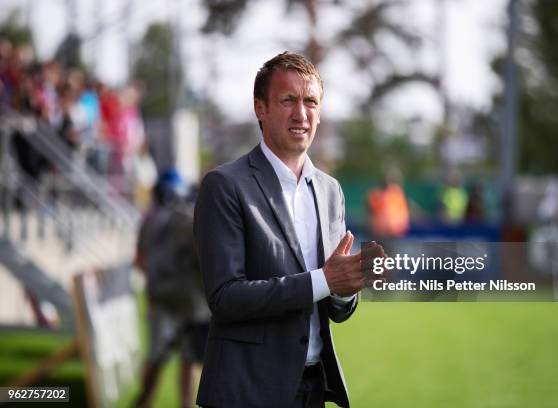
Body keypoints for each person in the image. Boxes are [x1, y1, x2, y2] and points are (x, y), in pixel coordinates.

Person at [194, 52, 384, 408]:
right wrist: (325, 280)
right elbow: (224, 298)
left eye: (311, 101)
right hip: (245, 392)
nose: (301, 113)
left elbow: (335, 309)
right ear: (260, 109)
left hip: (313, 389)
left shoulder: (330, 190)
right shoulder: (224, 185)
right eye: (288, 100)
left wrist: (345, 288)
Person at [135, 169, 210, 408]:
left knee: (157, 357)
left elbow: (139, 260)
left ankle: (144, 402)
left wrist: (158, 283)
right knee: (187, 360)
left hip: (162, 299)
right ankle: (184, 405)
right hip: (190, 303)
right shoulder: (194, 218)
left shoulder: (150, 218)